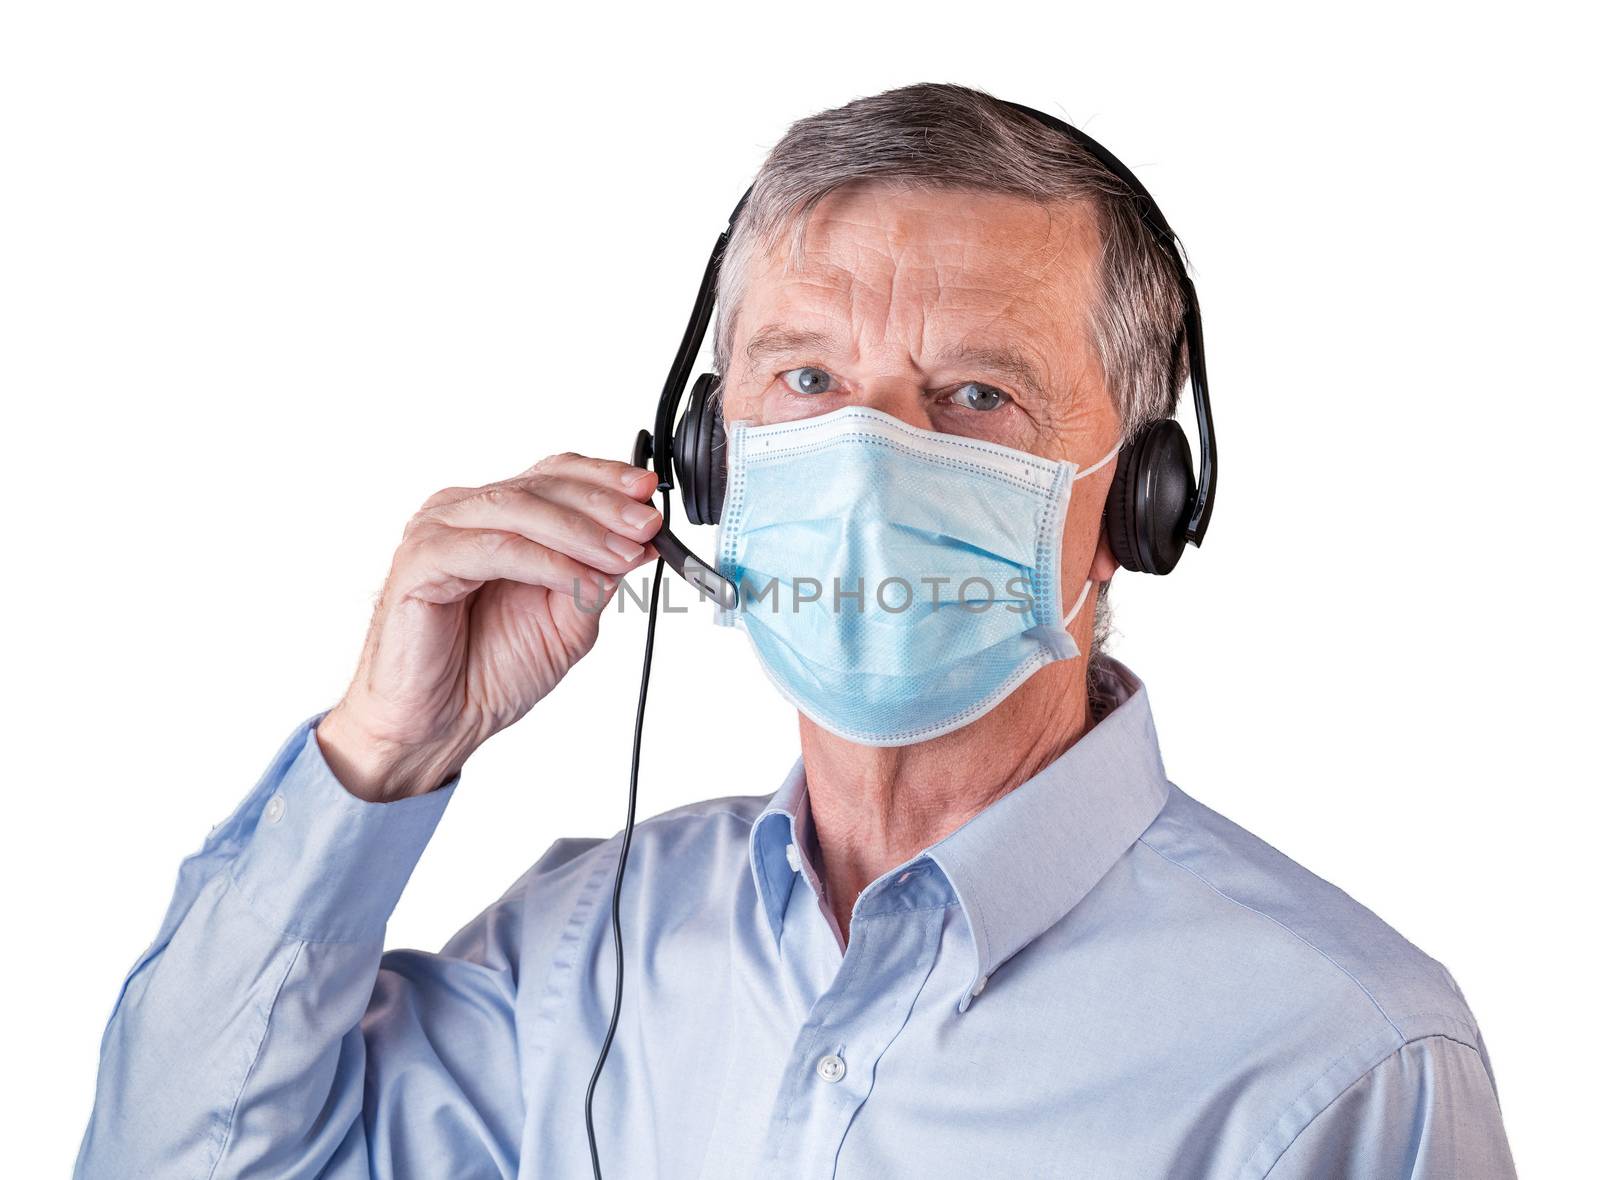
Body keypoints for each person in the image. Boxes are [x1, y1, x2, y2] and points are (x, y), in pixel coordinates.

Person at [75, 82, 1517, 1178]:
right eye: (809, 376)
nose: (871, 461)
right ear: (709, 455)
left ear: (1138, 500)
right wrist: (381, 758)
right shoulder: (589, 944)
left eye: (974, 397)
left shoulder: (1351, 1057)